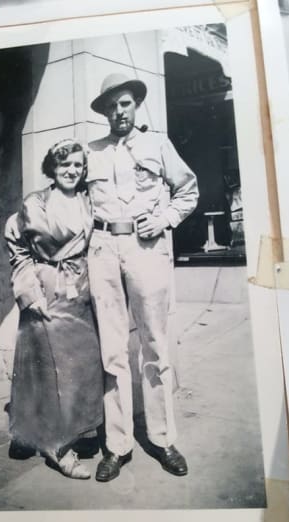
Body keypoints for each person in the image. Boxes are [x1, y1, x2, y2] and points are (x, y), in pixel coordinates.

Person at [86, 73, 199, 482]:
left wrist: (165, 219)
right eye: (112, 106)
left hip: (146, 250)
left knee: (154, 344)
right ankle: (117, 446)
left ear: (136, 106)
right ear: (104, 111)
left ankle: (163, 439)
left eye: (125, 104)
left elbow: (188, 190)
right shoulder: (91, 152)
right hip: (101, 252)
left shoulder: (157, 145)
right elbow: (68, 195)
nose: (119, 112)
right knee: (112, 350)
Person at [5, 139, 103, 480]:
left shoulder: (90, 201)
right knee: (49, 371)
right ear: (53, 168)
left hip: (82, 289)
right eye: (65, 165)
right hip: (47, 288)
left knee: (80, 368)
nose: (72, 171)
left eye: (77, 165)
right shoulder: (36, 203)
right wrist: (30, 292)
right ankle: (58, 449)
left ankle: (73, 431)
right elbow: (17, 247)